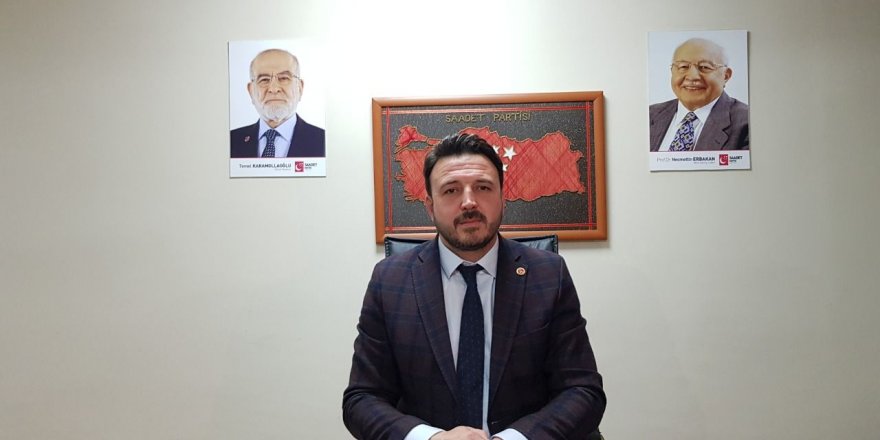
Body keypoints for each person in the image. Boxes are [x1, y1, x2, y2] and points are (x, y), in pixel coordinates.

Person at [343, 133, 605, 440]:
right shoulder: (390, 281)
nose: (469, 202)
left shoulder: (548, 275)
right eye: (451, 190)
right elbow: (362, 398)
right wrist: (431, 438)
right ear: (430, 206)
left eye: (483, 187)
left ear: (502, 198)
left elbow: (582, 389)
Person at [649, 38, 749, 152]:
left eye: (705, 67)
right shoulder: (650, 115)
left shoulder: (747, 121)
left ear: (725, 75)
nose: (692, 76)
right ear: (672, 71)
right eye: (683, 66)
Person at [230, 48, 325, 158]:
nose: (274, 89)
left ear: (300, 88)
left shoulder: (323, 141)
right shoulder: (231, 141)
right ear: (251, 91)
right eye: (264, 80)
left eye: (284, 78)